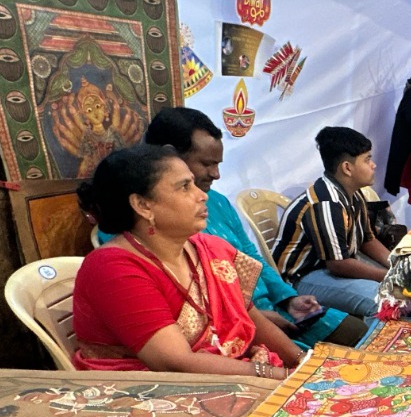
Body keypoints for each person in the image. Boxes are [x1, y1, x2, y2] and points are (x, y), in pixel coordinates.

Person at [140, 108, 365, 347]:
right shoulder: (150, 223)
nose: (216, 174)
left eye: (218, 164)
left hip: (268, 310)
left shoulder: (216, 201)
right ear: (170, 157)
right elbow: (189, 297)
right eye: (206, 164)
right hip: (227, 326)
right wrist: (251, 317)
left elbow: (250, 255)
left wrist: (287, 298)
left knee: (358, 332)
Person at [73, 145, 299, 376]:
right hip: (156, 387)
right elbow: (174, 363)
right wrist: (281, 377)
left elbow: (252, 320)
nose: (202, 195)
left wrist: (302, 363)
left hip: (231, 374)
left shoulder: (210, 249)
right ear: (143, 205)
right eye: (184, 187)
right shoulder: (112, 268)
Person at [272, 127, 393, 318]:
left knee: (399, 286)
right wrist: (390, 276)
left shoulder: (353, 194)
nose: (373, 165)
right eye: (367, 159)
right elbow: (338, 264)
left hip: (330, 269)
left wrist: (396, 265)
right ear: (347, 168)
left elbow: (367, 239)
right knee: (383, 302)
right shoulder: (326, 204)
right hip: (301, 278)